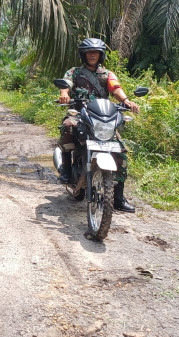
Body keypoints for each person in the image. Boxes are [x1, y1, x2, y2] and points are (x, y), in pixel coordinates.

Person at [57, 38, 139, 212]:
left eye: (95, 52)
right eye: (89, 52)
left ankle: (117, 197)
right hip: (80, 114)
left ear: (100, 55)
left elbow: (115, 88)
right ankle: (65, 168)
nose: (92, 55)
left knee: (120, 150)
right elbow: (66, 85)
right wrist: (64, 94)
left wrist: (126, 101)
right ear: (84, 55)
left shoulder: (107, 74)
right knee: (68, 126)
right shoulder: (74, 72)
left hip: (102, 117)